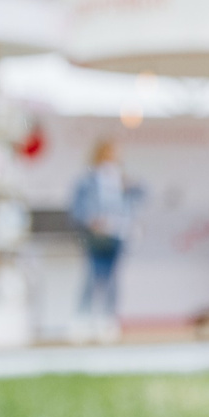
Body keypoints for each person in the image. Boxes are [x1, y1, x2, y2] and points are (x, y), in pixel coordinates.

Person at [70, 140, 136, 339]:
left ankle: (107, 320)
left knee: (112, 280)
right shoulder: (87, 180)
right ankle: (82, 320)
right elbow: (76, 208)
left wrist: (129, 187)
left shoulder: (122, 179)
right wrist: (90, 220)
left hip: (117, 234)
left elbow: (139, 198)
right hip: (95, 236)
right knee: (92, 277)